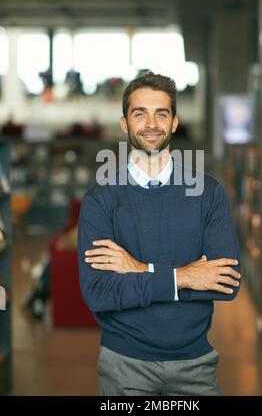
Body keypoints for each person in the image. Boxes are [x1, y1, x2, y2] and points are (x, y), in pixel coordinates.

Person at [77, 72, 241, 396]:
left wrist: (138, 269)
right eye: (140, 114)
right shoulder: (101, 199)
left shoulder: (208, 193)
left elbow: (226, 284)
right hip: (124, 363)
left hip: (195, 363)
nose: (151, 124)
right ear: (125, 123)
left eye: (161, 113)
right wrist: (187, 276)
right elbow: (99, 293)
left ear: (175, 122)